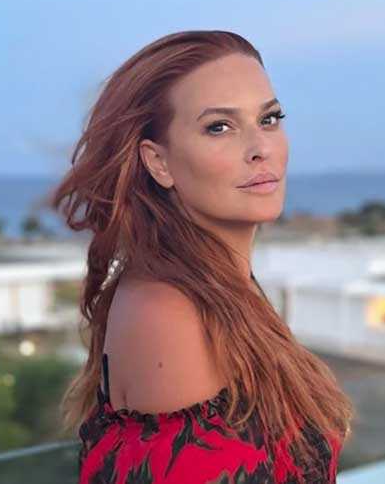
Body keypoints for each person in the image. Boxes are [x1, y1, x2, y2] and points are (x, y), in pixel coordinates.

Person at [48, 29, 354, 484]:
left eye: (269, 119)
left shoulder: (219, 287)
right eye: (219, 127)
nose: (261, 149)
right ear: (159, 163)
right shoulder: (167, 312)